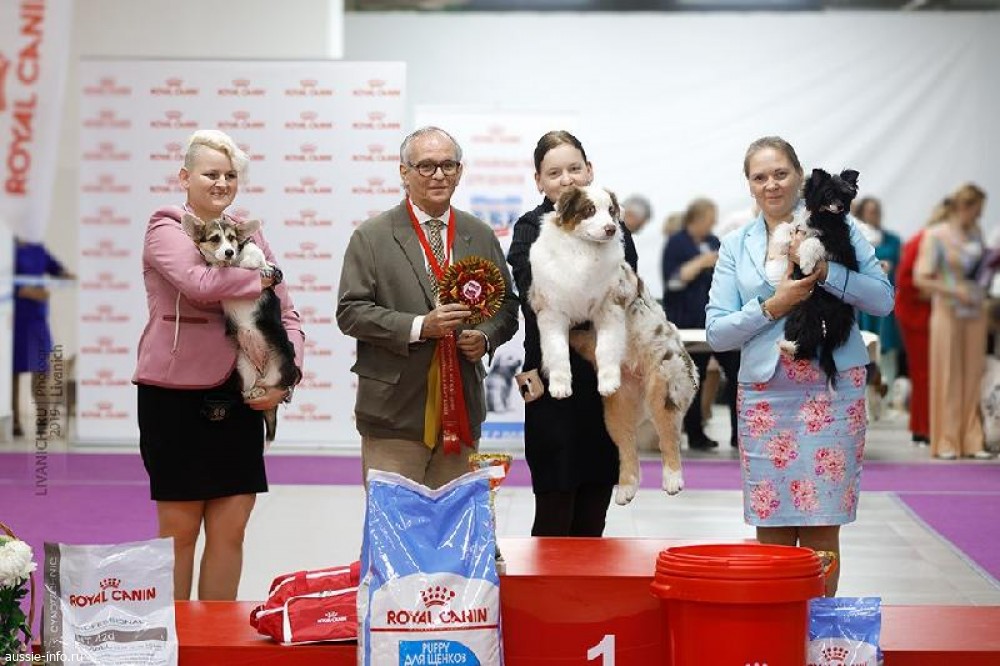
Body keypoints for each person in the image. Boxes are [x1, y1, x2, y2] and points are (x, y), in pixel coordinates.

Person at [705, 136, 893, 596]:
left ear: (800, 176)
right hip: (766, 399)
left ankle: (818, 628)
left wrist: (827, 274)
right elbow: (717, 333)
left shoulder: (842, 229)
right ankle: (778, 629)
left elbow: (883, 300)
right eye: (760, 177)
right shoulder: (735, 246)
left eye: (780, 173)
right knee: (771, 529)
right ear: (749, 186)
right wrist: (773, 305)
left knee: (823, 529)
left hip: (834, 393)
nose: (771, 184)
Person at [133, 129, 304, 601]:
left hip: (239, 394)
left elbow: (287, 313)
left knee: (231, 532)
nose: (222, 183)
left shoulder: (247, 230)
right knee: (179, 534)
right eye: (211, 173)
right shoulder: (166, 226)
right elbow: (200, 284)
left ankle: (217, 637)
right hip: (174, 396)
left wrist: (286, 377)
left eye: (230, 175)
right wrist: (261, 277)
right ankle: (174, 636)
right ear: (185, 177)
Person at [337, 127, 519, 489]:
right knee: (395, 520)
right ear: (404, 172)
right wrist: (421, 326)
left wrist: (485, 338)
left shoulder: (480, 234)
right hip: (394, 412)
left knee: (453, 519)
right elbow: (351, 312)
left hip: (462, 410)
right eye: (426, 166)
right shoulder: (371, 236)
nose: (439, 175)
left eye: (448, 165)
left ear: (459, 172)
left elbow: (506, 305)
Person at [507, 130, 638, 537]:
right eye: (554, 172)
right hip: (551, 380)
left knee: (594, 508)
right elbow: (539, 297)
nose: (566, 179)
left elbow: (625, 290)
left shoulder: (613, 225)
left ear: (589, 170)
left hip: (604, 379)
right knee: (554, 503)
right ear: (539, 181)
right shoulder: (529, 228)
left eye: (574, 168)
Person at [914, 183, 993, 460]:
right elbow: (921, 278)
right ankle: (946, 440)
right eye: (977, 209)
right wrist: (954, 290)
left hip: (975, 311)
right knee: (947, 374)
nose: (979, 215)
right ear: (964, 206)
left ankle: (972, 439)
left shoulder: (976, 233)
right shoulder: (936, 235)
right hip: (948, 310)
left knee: (973, 374)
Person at [661, 197, 741, 449]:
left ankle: (739, 434)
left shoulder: (715, 242)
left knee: (736, 374)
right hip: (688, 322)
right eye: (710, 217)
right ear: (698, 217)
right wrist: (700, 263)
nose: (713, 222)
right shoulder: (676, 243)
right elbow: (673, 281)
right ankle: (695, 434)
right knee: (693, 378)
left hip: (719, 321)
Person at [894, 206, 947, 446]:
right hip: (917, 315)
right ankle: (924, 427)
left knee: (926, 373)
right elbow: (907, 282)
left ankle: (923, 426)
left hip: (925, 313)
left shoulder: (927, 240)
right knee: (924, 373)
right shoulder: (923, 241)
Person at [12, 239, 74, 438]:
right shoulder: (7, 247)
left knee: (41, 368)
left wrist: (67, 276)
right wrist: (23, 291)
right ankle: (14, 420)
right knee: (12, 373)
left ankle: (43, 418)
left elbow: (57, 269)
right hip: (13, 318)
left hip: (37, 318)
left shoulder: (38, 249)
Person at [853, 197, 903, 390]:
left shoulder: (893, 240)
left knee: (888, 344)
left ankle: (887, 392)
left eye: (877, 210)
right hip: (865, 299)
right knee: (866, 344)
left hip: (888, 297)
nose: (875, 214)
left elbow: (901, 268)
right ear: (863, 213)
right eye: (870, 211)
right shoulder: (857, 237)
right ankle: (866, 392)